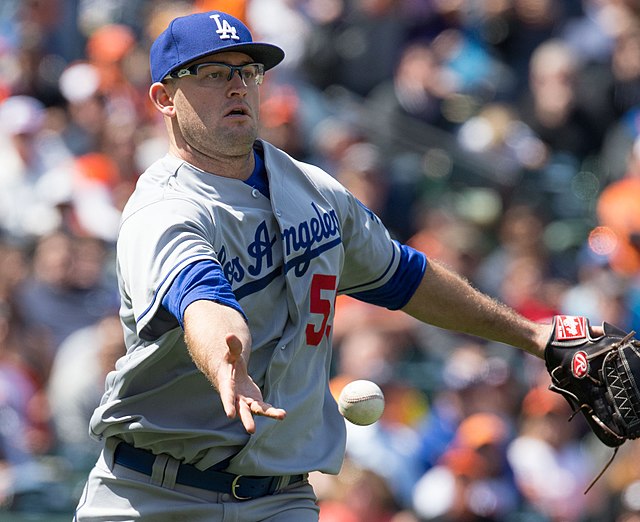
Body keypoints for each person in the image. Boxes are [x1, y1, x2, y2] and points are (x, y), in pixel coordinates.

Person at [74, 10, 555, 522]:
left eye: (247, 71)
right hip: (151, 494)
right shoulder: (164, 210)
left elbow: (405, 278)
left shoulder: (314, 190)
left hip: (280, 500)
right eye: (213, 74)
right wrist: (226, 360)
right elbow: (202, 298)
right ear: (164, 99)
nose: (237, 86)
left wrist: (536, 337)